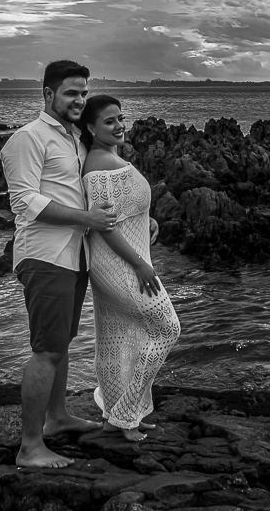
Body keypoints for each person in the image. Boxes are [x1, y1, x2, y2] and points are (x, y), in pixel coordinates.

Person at [1, 60, 117, 468]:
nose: (79, 100)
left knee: (61, 344)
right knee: (47, 350)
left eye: (84, 93)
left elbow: (88, 192)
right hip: (45, 256)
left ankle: (57, 418)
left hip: (75, 256)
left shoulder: (75, 139)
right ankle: (30, 447)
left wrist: (140, 218)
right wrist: (87, 219)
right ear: (48, 94)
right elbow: (25, 202)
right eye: (71, 93)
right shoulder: (27, 139)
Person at [79, 94, 181, 441]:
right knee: (167, 328)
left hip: (116, 261)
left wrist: (145, 218)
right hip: (121, 265)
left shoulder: (108, 157)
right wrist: (139, 265)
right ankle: (125, 413)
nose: (119, 125)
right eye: (109, 121)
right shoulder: (101, 166)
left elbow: (119, 210)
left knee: (115, 336)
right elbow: (105, 225)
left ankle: (115, 413)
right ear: (91, 127)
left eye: (121, 117)